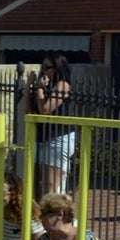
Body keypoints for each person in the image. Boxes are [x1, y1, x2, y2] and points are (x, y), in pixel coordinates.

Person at [30, 54, 74, 196]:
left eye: (47, 67)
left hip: (58, 136)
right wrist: (28, 87)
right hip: (42, 137)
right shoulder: (45, 87)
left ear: (57, 68)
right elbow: (28, 110)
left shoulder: (63, 85)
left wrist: (40, 89)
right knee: (38, 183)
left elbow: (45, 110)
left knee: (51, 185)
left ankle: (57, 216)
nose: (44, 71)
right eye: (42, 67)